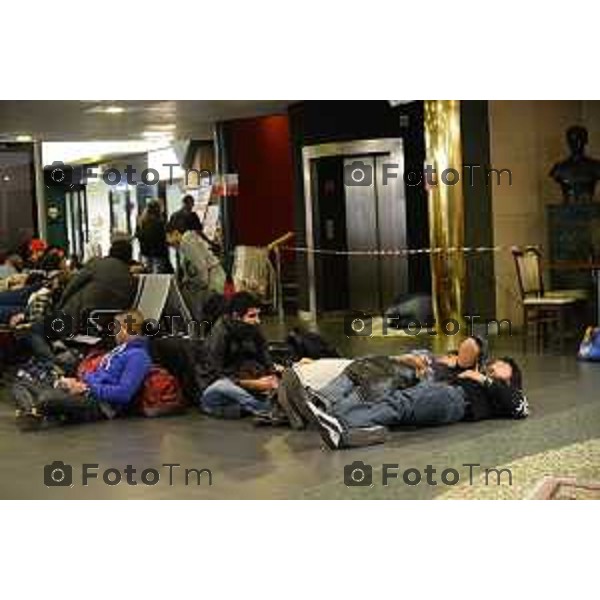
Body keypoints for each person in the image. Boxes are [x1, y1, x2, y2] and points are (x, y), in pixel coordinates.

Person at [281, 352, 528, 449]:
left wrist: (481, 378)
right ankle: (329, 410)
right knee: (379, 387)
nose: (493, 368)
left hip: (454, 400)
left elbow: (520, 408)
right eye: (492, 366)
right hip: (436, 388)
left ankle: (340, 423)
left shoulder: (505, 394)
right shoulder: (465, 372)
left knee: (399, 403)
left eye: (501, 367)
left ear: (511, 378)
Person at [14, 309, 152, 429]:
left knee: (48, 397)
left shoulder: (138, 356)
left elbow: (123, 394)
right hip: (88, 391)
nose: (114, 332)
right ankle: (34, 412)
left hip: (101, 405)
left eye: (116, 328)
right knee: (22, 384)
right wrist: (79, 383)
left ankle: (38, 411)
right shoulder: (120, 350)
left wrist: (87, 386)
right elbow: (96, 376)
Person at [200, 292, 279, 418]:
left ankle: (251, 405)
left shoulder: (252, 328)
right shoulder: (219, 335)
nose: (257, 320)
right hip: (216, 387)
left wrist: (272, 375)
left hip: (242, 379)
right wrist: (254, 384)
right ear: (236, 316)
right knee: (224, 387)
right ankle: (264, 408)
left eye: (258, 315)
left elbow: (264, 354)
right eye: (252, 316)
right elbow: (214, 376)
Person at [58, 239, 137, 331]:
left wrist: (60, 304)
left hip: (78, 317)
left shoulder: (98, 264)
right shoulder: (129, 277)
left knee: (38, 328)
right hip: (105, 320)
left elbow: (73, 284)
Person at [166, 220, 225, 320]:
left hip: (213, 281)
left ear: (175, 233)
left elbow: (201, 266)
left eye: (168, 237)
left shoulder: (186, 242)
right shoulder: (188, 240)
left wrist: (203, 285)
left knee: (214, 312)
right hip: (214, 278)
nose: (168, 243)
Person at [135, 200, 172, 273]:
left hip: (145, 252)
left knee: (147, 273)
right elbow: (163, 238)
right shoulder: (159, 223)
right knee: (158, 276)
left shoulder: (141, 222)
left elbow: (137, 235)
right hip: (158, 253)